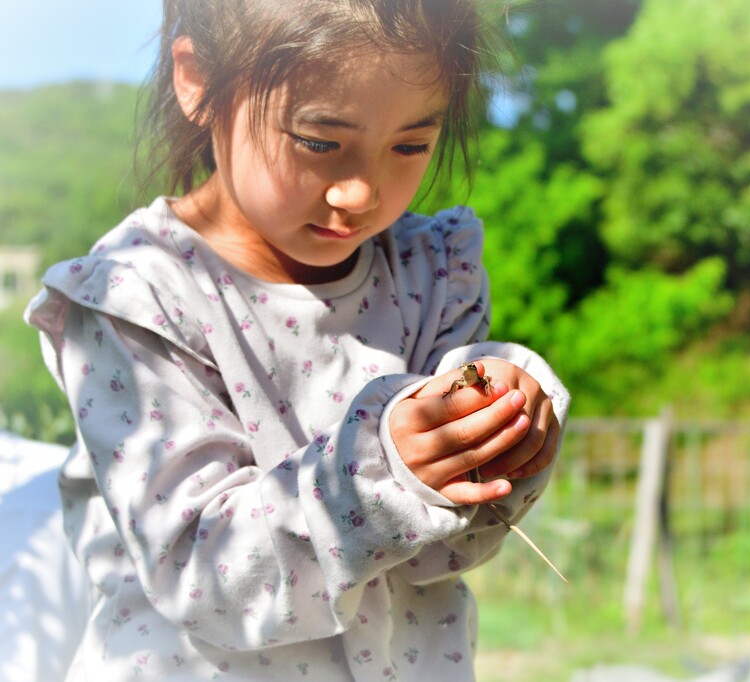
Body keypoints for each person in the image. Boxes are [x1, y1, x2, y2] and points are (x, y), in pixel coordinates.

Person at [24, 0, 569, 679]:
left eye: (409, 145)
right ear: (197, 79)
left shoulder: (433, 272)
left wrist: (498, 440)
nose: (360, 192)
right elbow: (206, 577)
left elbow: (439, 554)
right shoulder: (137, 299)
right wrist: (383, 471)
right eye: (319, 141)